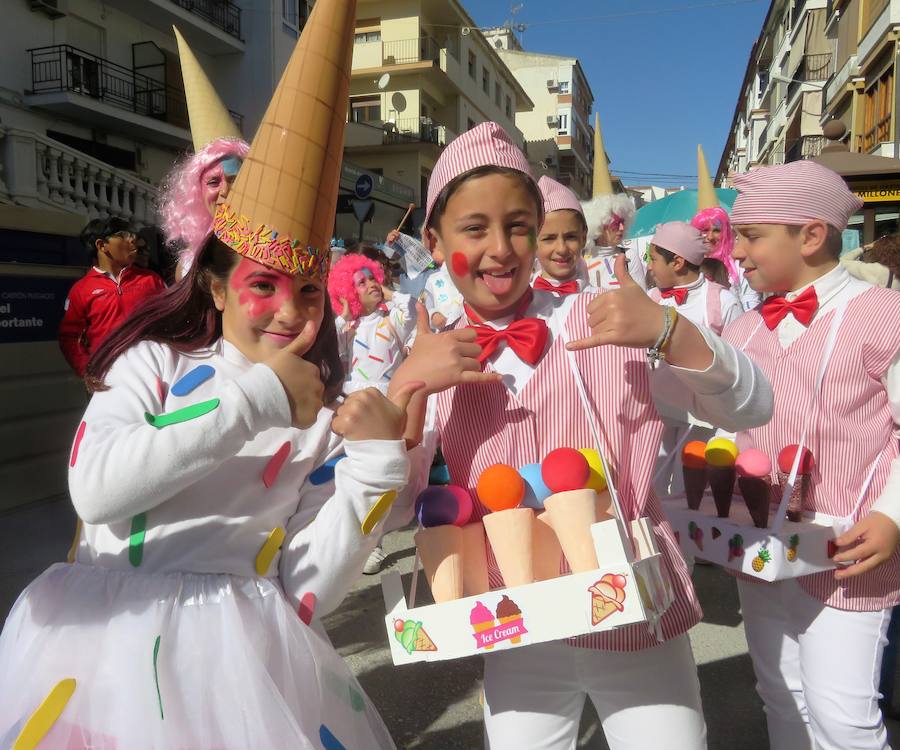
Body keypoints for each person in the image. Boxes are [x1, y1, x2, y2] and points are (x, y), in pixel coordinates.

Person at [0, 2, 410, 747]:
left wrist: (375, 471)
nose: (289, 313)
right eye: (262, 286)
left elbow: (307, 592)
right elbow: (97, 488)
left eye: (309, 290)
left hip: (244, 666)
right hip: (103, 647)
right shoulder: (152, 361)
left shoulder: (317, 417)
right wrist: (255, 398)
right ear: (216, 287)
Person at [386, 121, 774, 750]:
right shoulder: (428, 355)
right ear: (433, 239)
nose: (501, 248)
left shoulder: (603, 320)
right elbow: (399, 512)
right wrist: (405, 393)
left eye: (517, 225)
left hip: (632, 616)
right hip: (513, 628)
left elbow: (750, 407)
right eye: (474, 228)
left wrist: (673, 333)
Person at [723, 159, 900, 750]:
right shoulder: (745, 327)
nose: (737, 251)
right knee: (780, 690)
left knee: (842, 714)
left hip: (849, 549)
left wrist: (893, 514)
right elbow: (722, 426)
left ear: (811, 234)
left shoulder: (883, 315)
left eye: (750, 235)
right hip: (761, 543)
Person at [646, 221, 743, 499]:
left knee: (690, 493)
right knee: (652, 489)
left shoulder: (722, 301)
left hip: (700, 418)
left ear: (677, 262)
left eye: (653, 260)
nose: (650, 267)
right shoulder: (651, 299)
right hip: (657, 414)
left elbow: (736, 363)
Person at [160, 27, 249, 281]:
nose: (224, 191)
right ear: (196, 193)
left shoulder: (276, 250)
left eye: (235, 179)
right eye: (213, 181)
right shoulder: (188, 263)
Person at [58, 216, 166, 377]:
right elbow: (70, 337)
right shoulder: (81, 290)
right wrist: (87, 371)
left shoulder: (152, 280)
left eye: (133, 234)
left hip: (154, 372)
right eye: (123, 235)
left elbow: (173, 319)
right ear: (102, 246)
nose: (133, 239)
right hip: (108, 379)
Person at [581, 113, 646, 291]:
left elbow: (641, 299)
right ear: (599, 224)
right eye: (616, 224)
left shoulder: (629, 257)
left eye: (623, 223)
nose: (622, 229)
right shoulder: (580, 259)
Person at [692, 145, 761, 311]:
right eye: (704, 230)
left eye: (716, 230)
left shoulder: (739, 264)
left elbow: (751, 302)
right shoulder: (690, 264)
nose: (709, 236)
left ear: (725, 232)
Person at [532, 175, 592, 295]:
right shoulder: (515, 303)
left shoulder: (601, 300)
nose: (562, 249)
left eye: (570, 237)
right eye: (549, 238)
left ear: (583, 238)